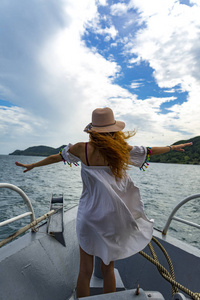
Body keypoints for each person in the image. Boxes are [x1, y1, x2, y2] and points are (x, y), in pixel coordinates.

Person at [15, 107, 192, 298]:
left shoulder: (81, 149)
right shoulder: (120, 150)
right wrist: (173, 147)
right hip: (111, 217)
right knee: (108, 269)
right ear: (114, 129)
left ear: (92, 130)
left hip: (88, 217)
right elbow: (150, 151)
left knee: (85, 271)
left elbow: (55, 157)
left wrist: (33, 165)